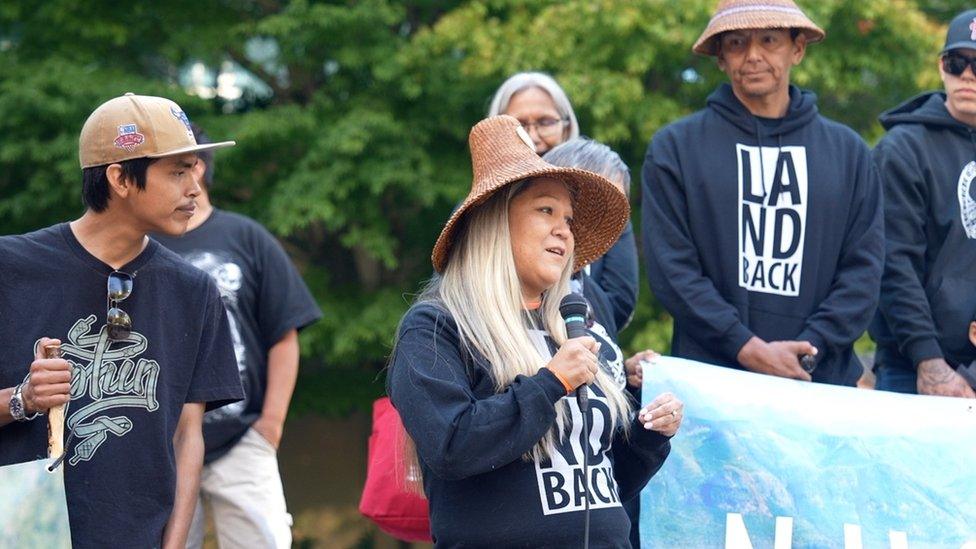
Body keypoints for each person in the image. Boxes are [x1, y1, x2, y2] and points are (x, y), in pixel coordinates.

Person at [388, 115, 682, 547]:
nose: (564, 229)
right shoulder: (437, 327)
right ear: (494, 223)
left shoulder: (574, 325)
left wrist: (649, 437)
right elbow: (452, 445)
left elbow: (605, 485)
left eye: (569, 217)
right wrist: (550, 383)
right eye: (546, 210)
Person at [0, 93, 243, 548]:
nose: (195, 186)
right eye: (177, 171)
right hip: (25, 534)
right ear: (120, 179)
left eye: (195, 168)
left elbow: (189, 438)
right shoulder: (9, 269)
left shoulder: (195, 292)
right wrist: (22, 399)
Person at [642, 0, 884, 386]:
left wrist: (809, 349)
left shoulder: (849, 153)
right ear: (721, 57)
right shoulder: (676, 149)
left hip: (820, 384)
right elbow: (673, 271)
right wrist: (746, 347)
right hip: (712, 387)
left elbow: (864, 271)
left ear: (797, 48)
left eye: (769, 40)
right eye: (736, 43)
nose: (753, 56)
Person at [153, 124, 323, 548]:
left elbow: (284, 334)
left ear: (200, 169)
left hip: (241, 438)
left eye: (183, 166)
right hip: (161, 447)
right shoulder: (138, 245)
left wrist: (270, 426)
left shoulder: (245, 236)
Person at [544, 135, 660, 549]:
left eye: (618, 212)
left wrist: (627, 381)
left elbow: (598, 414)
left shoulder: (591, 294)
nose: (606, 221)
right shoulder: (517, 293)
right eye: (596, 204)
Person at [869, 9, 976, 398]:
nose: (967, 75)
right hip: (911, 369)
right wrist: (928, 362)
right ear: (941, 66)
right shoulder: (902, 149)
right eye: (957, 62)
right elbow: (892, 261)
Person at [489, 72, 639, 331]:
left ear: (567, 127)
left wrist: (603, 354)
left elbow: (619, 300)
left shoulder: (605, 200)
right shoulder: (480, 209)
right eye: (518, 125)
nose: (532, 136)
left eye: (545, 122)